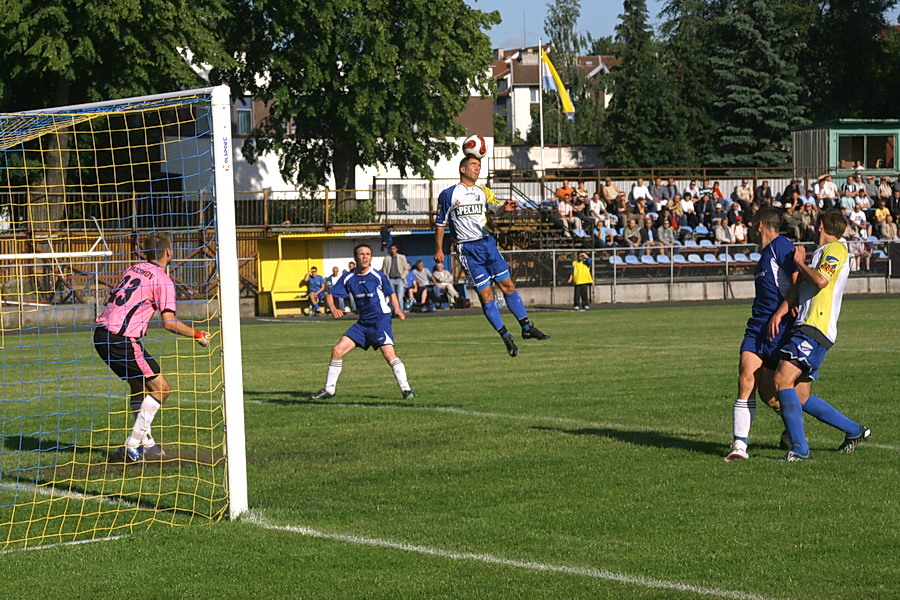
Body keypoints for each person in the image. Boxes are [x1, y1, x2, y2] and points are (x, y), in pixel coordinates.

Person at [94, 232, 210, 463]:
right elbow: (169, 323)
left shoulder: (133, 269)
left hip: (101, 335)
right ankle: (131, 445)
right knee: (162, 389)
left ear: (144, 253)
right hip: (121, 339)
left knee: (138, 384)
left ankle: (147, 444)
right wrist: (197, 333)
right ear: (169, 252)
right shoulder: (163, 280)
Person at [769, 210, 870, 461]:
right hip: (807, 325)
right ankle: (854, 430)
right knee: (801, 396)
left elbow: (822, 281)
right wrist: (780, 313)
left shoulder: (835, 249)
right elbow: (801, 288)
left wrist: (800, 264)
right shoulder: (819, 254)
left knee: (782, 380)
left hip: (816, 326)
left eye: (815, 225)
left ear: (821, 225)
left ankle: (800, 450)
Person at [435, 155, 549, 357]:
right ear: (462, 169)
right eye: (473, 165)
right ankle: (506, 336)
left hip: (487, 243)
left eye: (479, 166)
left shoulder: (483, 191)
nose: (477, 169)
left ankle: (526, 326)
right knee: (486, 295)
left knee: (509, 286)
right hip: (467, 249)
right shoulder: (448, 194)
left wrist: (504, 209)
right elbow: (440, 224)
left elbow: (496, 210)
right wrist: (439, 249)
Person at [724, 208, 796, 461]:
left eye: (753, 225)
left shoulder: (781, 245)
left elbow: (797, 282)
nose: (751, 230)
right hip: (757, 326)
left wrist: (781, 313)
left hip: (779, 328)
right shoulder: (765, 253)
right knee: (745, 379)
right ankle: (739, 446)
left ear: (761, 225)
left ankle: (793, 428)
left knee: (769, 395)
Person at [310, 243, 415, 400]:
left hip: (380, 321)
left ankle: (407, 390)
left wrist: (398, 310)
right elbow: (329, 294)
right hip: (363, 323)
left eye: (367, 254)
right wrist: (333, 309)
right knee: (337, 350)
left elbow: (391, 293)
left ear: (371, 258)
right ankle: (329, 390)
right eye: (361, 254)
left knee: (388, 354)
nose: (365, 257)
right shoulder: (348, 277)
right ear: (355, 258)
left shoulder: (378, 276)